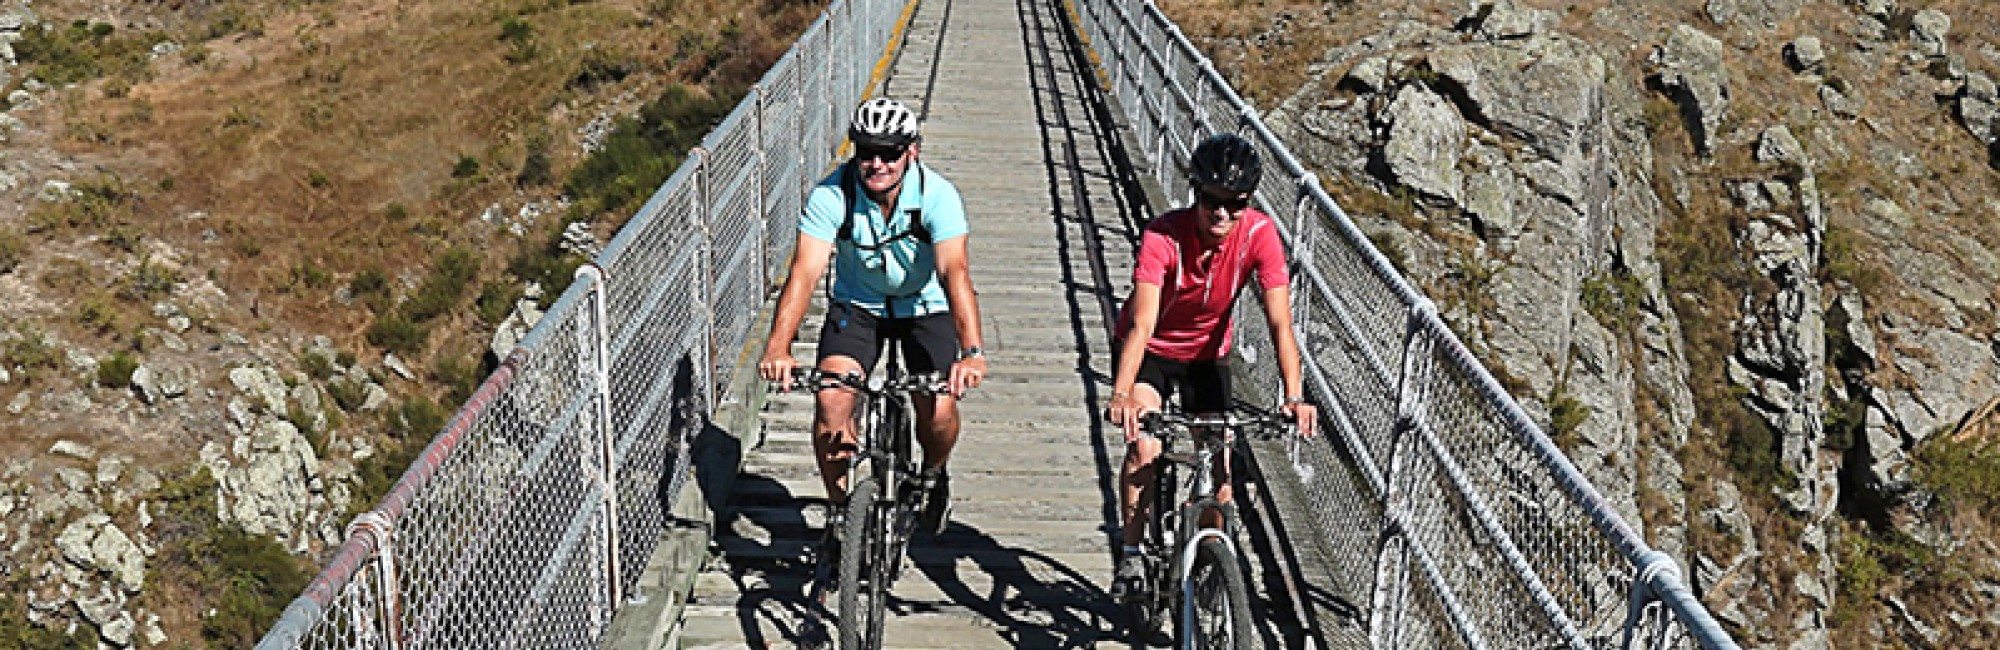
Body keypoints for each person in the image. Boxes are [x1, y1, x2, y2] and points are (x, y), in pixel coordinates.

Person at [758, 97, 988, 542]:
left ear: (912, 151)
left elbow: (954, 272)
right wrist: (778, 347)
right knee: (832, 401)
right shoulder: (833, 195)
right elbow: (804, 273)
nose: (877, 164)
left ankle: (933, 473)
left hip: (924, 305)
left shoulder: (938, 196)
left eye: (889, 152)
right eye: (866, 152)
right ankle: (840, 512)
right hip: (859, 305)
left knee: (939, 408)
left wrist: (972, 352)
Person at [1104, 132, 1318, 600]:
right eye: (1210, 200)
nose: (1221, 212)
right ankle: (1133, 554)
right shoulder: (1163, 236)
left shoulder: (1259, 236)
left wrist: (1293, 396)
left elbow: (1280, 323)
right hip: (1151, 351)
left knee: (1221, 473)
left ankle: (1211, 565)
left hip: (1207, 355)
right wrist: (1121, 394)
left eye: (1235, 203)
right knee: (1144, 448)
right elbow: (1142, 324)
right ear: (1195, 193)